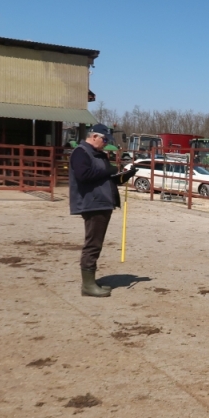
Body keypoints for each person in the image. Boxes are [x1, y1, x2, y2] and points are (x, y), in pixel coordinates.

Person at [69, 125, 137, 297]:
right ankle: (88, 285)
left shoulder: (97, 154)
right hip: (93, 203)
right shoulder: (81, 153)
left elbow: (106, 178)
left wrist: (123, 176)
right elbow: (83, 175)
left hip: (102, 203)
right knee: (93, 244)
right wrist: (108, 169)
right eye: (104, 140)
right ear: (94, 137)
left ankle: (90, 281)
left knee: (96, 243)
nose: (106, 144)